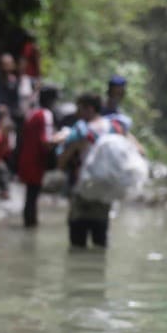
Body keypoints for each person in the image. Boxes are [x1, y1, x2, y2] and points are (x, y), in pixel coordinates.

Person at [58, 93, 123, 248]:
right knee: (100, 240)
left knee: (77, 243)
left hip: (83, 191)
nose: (77, 113)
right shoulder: (114, 127)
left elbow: (61, 162)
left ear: (90, 109)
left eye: (79, 109)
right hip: (105, 192)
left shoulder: (81, 130)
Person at [17, 86, 62, 227]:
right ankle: (30, 226)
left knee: (30, 196)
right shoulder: (46, 114)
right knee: (32, 196)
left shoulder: (31, 113)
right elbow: (46, 142)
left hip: (25, 159)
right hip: (36, 162)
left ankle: (29, 225)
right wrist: (63, 137)